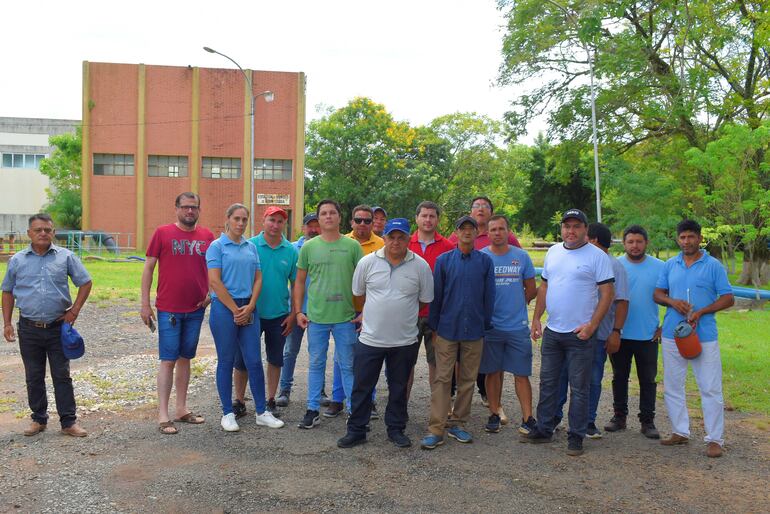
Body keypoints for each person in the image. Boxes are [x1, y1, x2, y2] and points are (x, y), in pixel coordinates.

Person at [523, 209, 614, 457]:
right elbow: (545, 287)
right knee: (548, 382)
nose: (570, 231)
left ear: (585, 229)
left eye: (576, 226)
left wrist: (592, 325)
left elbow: (607, 294)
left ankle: (576, 436)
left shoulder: (597, 256)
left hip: (580, 334)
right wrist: (536, 319)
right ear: (561, 228)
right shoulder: (553, 252)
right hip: (553, 330)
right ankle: (544, 428)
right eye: (566, 226)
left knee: (579, 387)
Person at [337, 218, 434, 448]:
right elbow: (358, 296)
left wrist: (400, 313)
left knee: (399, 387)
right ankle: (357, 430)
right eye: (392, 237)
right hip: (371, 338)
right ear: (385, 238)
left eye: (401, 237)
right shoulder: (367, 262)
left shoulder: (420, 266)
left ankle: (396, 429)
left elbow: (424, 301)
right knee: (362, 386)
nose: (396, 242)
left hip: (404, 340)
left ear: (409, 239)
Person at [2, 213, 92, 437]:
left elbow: (86, 282)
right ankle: (38, 419)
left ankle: (68, 422)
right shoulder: (17, 260)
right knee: (33, 375)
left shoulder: (66, 257)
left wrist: (74, 310)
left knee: (62, 375)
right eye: (38, 230)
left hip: (57, 328)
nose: (43, 233)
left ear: (53, 232)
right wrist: (7, 323)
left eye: (48, 230)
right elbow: (7, 291)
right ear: (29, 233)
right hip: (29, 328)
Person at [654, 219, 734, 458]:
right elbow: (657, 294)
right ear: (677, 239)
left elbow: (728, 298)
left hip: (704, 335)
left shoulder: (713, 266)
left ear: (699, 238)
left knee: (709, 387)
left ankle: (714, 439)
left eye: (691, 237)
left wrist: (702, 311)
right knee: (673, 385)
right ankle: (680, 431)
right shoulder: (670, 265)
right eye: (682, 237)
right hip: (672, 334)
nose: (686, 241)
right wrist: (672, 302)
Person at [206, 203, 284, 432]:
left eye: (244, 219)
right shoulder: (217, 246)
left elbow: (258, 278)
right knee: (227, 360)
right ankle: (227, 413)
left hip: (248, 307)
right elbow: (214, 282)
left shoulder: (251, 247)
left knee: (253, 360)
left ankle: (262, 411)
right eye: (237, 219)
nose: (240, 223)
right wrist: (234, 309)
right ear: (227, 219)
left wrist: (249, 306)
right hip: (224, 307)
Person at [141, 192, 214, 435]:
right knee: (168, 359)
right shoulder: (162, 233)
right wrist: (144, 303)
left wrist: (210, 294)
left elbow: (215, 269)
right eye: (185, 207)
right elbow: (149, 267)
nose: (190, 211)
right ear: (176, 209)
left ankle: (181, 408)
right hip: (169, 309)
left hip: (195, 309)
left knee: (185, 358)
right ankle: (163, 414)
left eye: (194, 207)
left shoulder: (207, 237)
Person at [420, 215, 495, 450]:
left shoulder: (484, 262)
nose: (466, 232)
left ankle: (458, 423)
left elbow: (489, 296)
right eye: (462, 228)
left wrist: (485, 324)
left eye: (470, 229)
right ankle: (436, 429)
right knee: (443, 379)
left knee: (467, 380)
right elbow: (437, 296)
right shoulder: (444, 261)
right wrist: (434, 326)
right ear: (456, 232)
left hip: (474, 329)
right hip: (447, 329)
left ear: (475, 233)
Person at [553, 223, 629, 439]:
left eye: (585, 236)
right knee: (561, 376)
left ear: (594, 240)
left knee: (592, 379)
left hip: (598, 335)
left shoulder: (614, 266)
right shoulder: (575, 258)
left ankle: (587, 422)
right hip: (569, 331)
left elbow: (621, 302)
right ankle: (555, 417)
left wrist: (616, 331)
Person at [294, 199, 364, 429]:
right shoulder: (308, 247)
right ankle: (312, 408)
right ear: (319, 218)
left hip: (346, 317)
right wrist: (298, 311)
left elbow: (365, 280)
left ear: (339, 217)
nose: (328, 216)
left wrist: (364, 311)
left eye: (332, 212)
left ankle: (355, 411)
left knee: (348, 365)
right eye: (323, 213)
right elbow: (300, 281)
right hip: (317, 317)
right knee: (315, 363)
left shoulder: (352, 246)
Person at [449, 196, 522, 410]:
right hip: (466, 305)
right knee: (461, 354)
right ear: (470, 212)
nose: (480, 209)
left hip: (496, 308)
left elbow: (520, 269)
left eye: (485, 206)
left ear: (491, 212)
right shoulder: (458, 236)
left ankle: (486, 393)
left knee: (487, 354)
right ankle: (456, 393)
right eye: (476, 206)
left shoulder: (506, 237)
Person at [232, 206, 298, 417]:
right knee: (242, 360)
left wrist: (294, 313)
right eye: (272, 220)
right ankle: (239, 401)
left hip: (278, 314)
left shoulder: (290, 250)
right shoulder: (249, 246)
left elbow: (296, 284)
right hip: (250, 312)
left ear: (284, 224)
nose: (275, 225)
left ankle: (270, 399)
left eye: (280, 221)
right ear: (263, 220)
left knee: (275, 359)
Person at [479, 215, 537, 435]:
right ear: (488, 233)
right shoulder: (482, 257)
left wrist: (516, 303)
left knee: (521, 374)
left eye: (501, 229)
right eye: (493, 229)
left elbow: (531, 289)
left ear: (507, 231)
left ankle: (528, 418)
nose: (497, 233)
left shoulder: (521, 256)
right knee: (492, 372)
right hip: (492, 326)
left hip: (517, 327)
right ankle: (493, 413)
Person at [326, 205, 384, 418]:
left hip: (372, 311)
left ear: (373, 223)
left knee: (370, 358)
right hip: (346, 310)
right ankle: (337, 398)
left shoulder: (382, 245)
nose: (362, 224)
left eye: (367, 221)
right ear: (351, 222)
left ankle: (369, 400)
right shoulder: (342, 243)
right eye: (358, 220)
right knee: (341, 357)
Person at [607, 224, 664, 438]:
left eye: (639, 241)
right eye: (630, 241)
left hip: (647, 335)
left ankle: (647, 421)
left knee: (647, 380)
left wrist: (663, 327)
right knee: (619, 377)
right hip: (619, 333)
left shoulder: (660, 267)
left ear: (646, 243)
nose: (635, 245)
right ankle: (619, 417)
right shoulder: (615, 265)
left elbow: (673, 297)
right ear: (624, 244)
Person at [276, 213, 326, 407]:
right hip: (296, 310)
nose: (313, 229)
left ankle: (320, 392)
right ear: (303, 227)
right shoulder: (292, 249)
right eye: (309, 226)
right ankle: (284, 390)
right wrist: (294, 311)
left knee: (318, 353)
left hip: (318, 311)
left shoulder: (325, 246)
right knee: (290, 351)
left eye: (317, 225)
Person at [406, 201, 455, 398]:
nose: (427, 220)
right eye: (424, 216)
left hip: (438, 315)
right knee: (406, 363)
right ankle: (401, 408)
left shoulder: (449, 247)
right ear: (416, 218)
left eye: (432, 216)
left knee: (437, 364)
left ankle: (438, 411)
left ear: (438, 219)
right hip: (410, 314)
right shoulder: (405, 244)